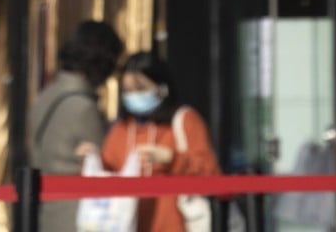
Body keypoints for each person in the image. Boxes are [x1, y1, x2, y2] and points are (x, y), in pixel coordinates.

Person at [80, 51, 221, 232]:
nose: (133, 96)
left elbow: (211, 172)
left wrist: (173, 159)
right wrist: (93, 159)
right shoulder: (122, 128)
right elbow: (111, 171)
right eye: (127, 91)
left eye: (140, 89)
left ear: (162, 88)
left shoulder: (184, 120)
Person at [27, 20, 124, 231]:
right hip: (76, 215)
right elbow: (105, 163)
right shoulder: (83, 107)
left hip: (47, 211)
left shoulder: (47, 95)